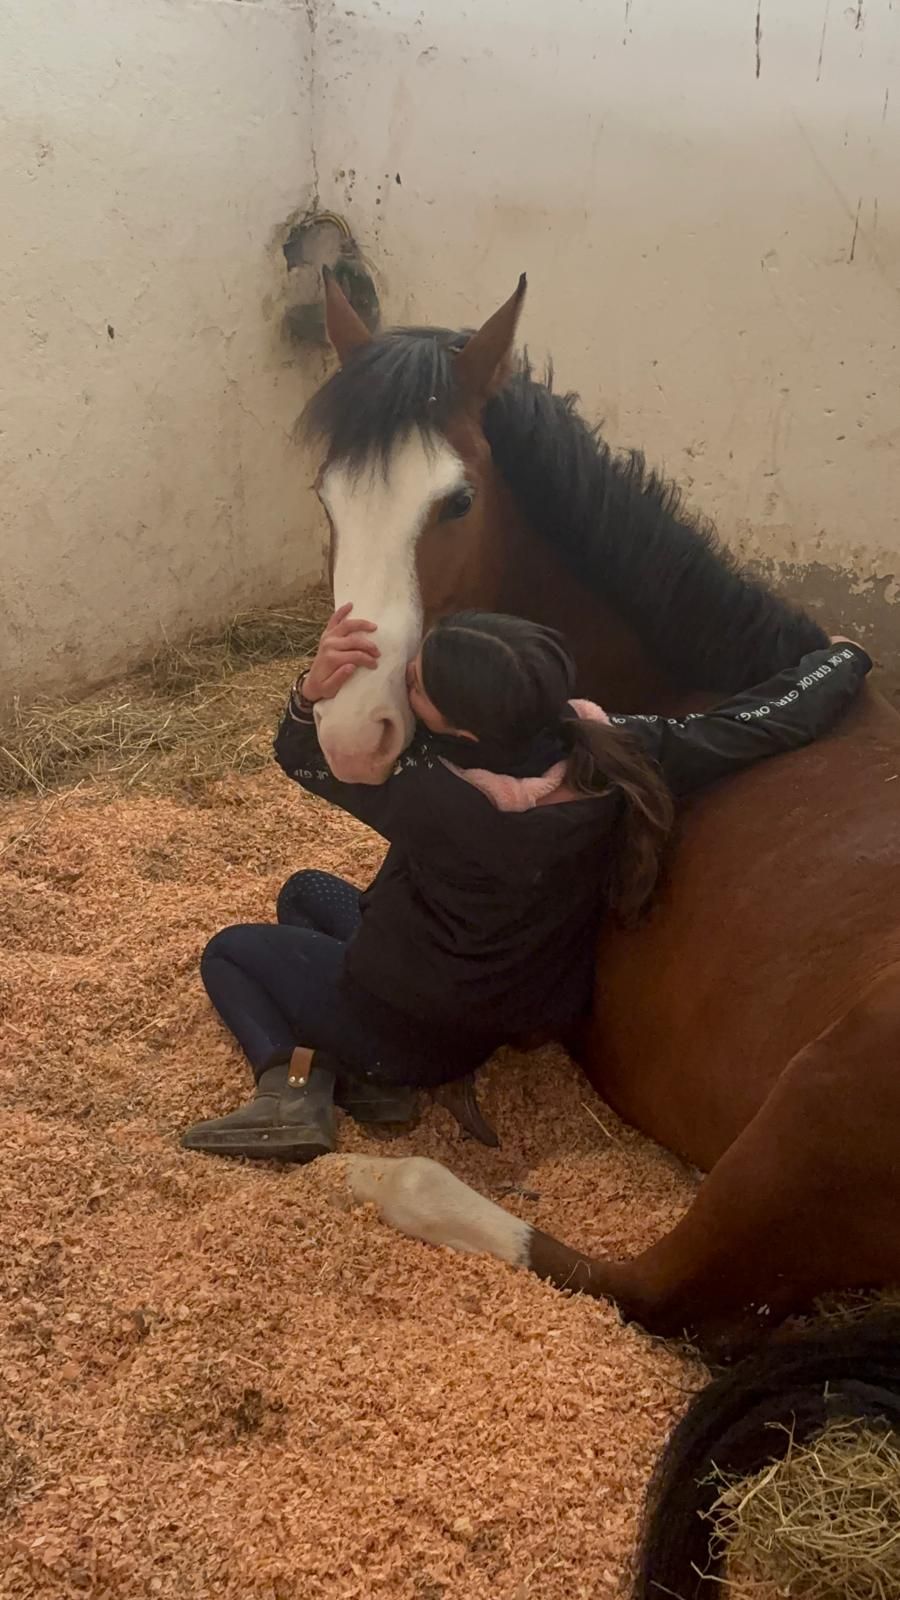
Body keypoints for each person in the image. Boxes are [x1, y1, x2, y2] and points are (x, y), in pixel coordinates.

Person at [181, 607, 871, 1163]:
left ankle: (292, 1088)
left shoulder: (438, 800)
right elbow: (764, 722)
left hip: (405, 1025)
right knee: (306, 890)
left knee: (232, 952)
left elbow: (299, 756)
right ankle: (364, 1078)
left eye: (416, 685)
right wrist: (842, 658)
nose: (405, 691)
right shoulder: (617, 750)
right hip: (500, 1010)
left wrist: (310, 690)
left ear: (465, 728)